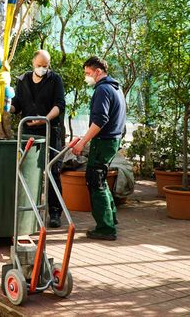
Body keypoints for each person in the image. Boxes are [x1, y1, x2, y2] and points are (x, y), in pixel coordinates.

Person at [72, 56, 126, 241]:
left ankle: (105, 228)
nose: (87, 77)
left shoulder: (103, 89)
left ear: (98, 71)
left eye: (88, 73)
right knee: (101, 178)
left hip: (103, 141)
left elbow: (99, 121)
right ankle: (111, 218)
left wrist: (82, 142)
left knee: (95, 180)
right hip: (112, 140)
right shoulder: (116, 87)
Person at [10, 50, 66, 228]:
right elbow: (17, 104)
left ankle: (55, 212)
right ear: (33, 63)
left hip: (50, 130)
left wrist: (45, 119)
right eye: (39, 65)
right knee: (27, 170)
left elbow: (60, 104)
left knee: (52, 171)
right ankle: (27, 209)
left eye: (45, 66)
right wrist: (6, 107)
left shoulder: (54, 79)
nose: (42, 68)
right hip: (28, 131)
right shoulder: (23, 80)